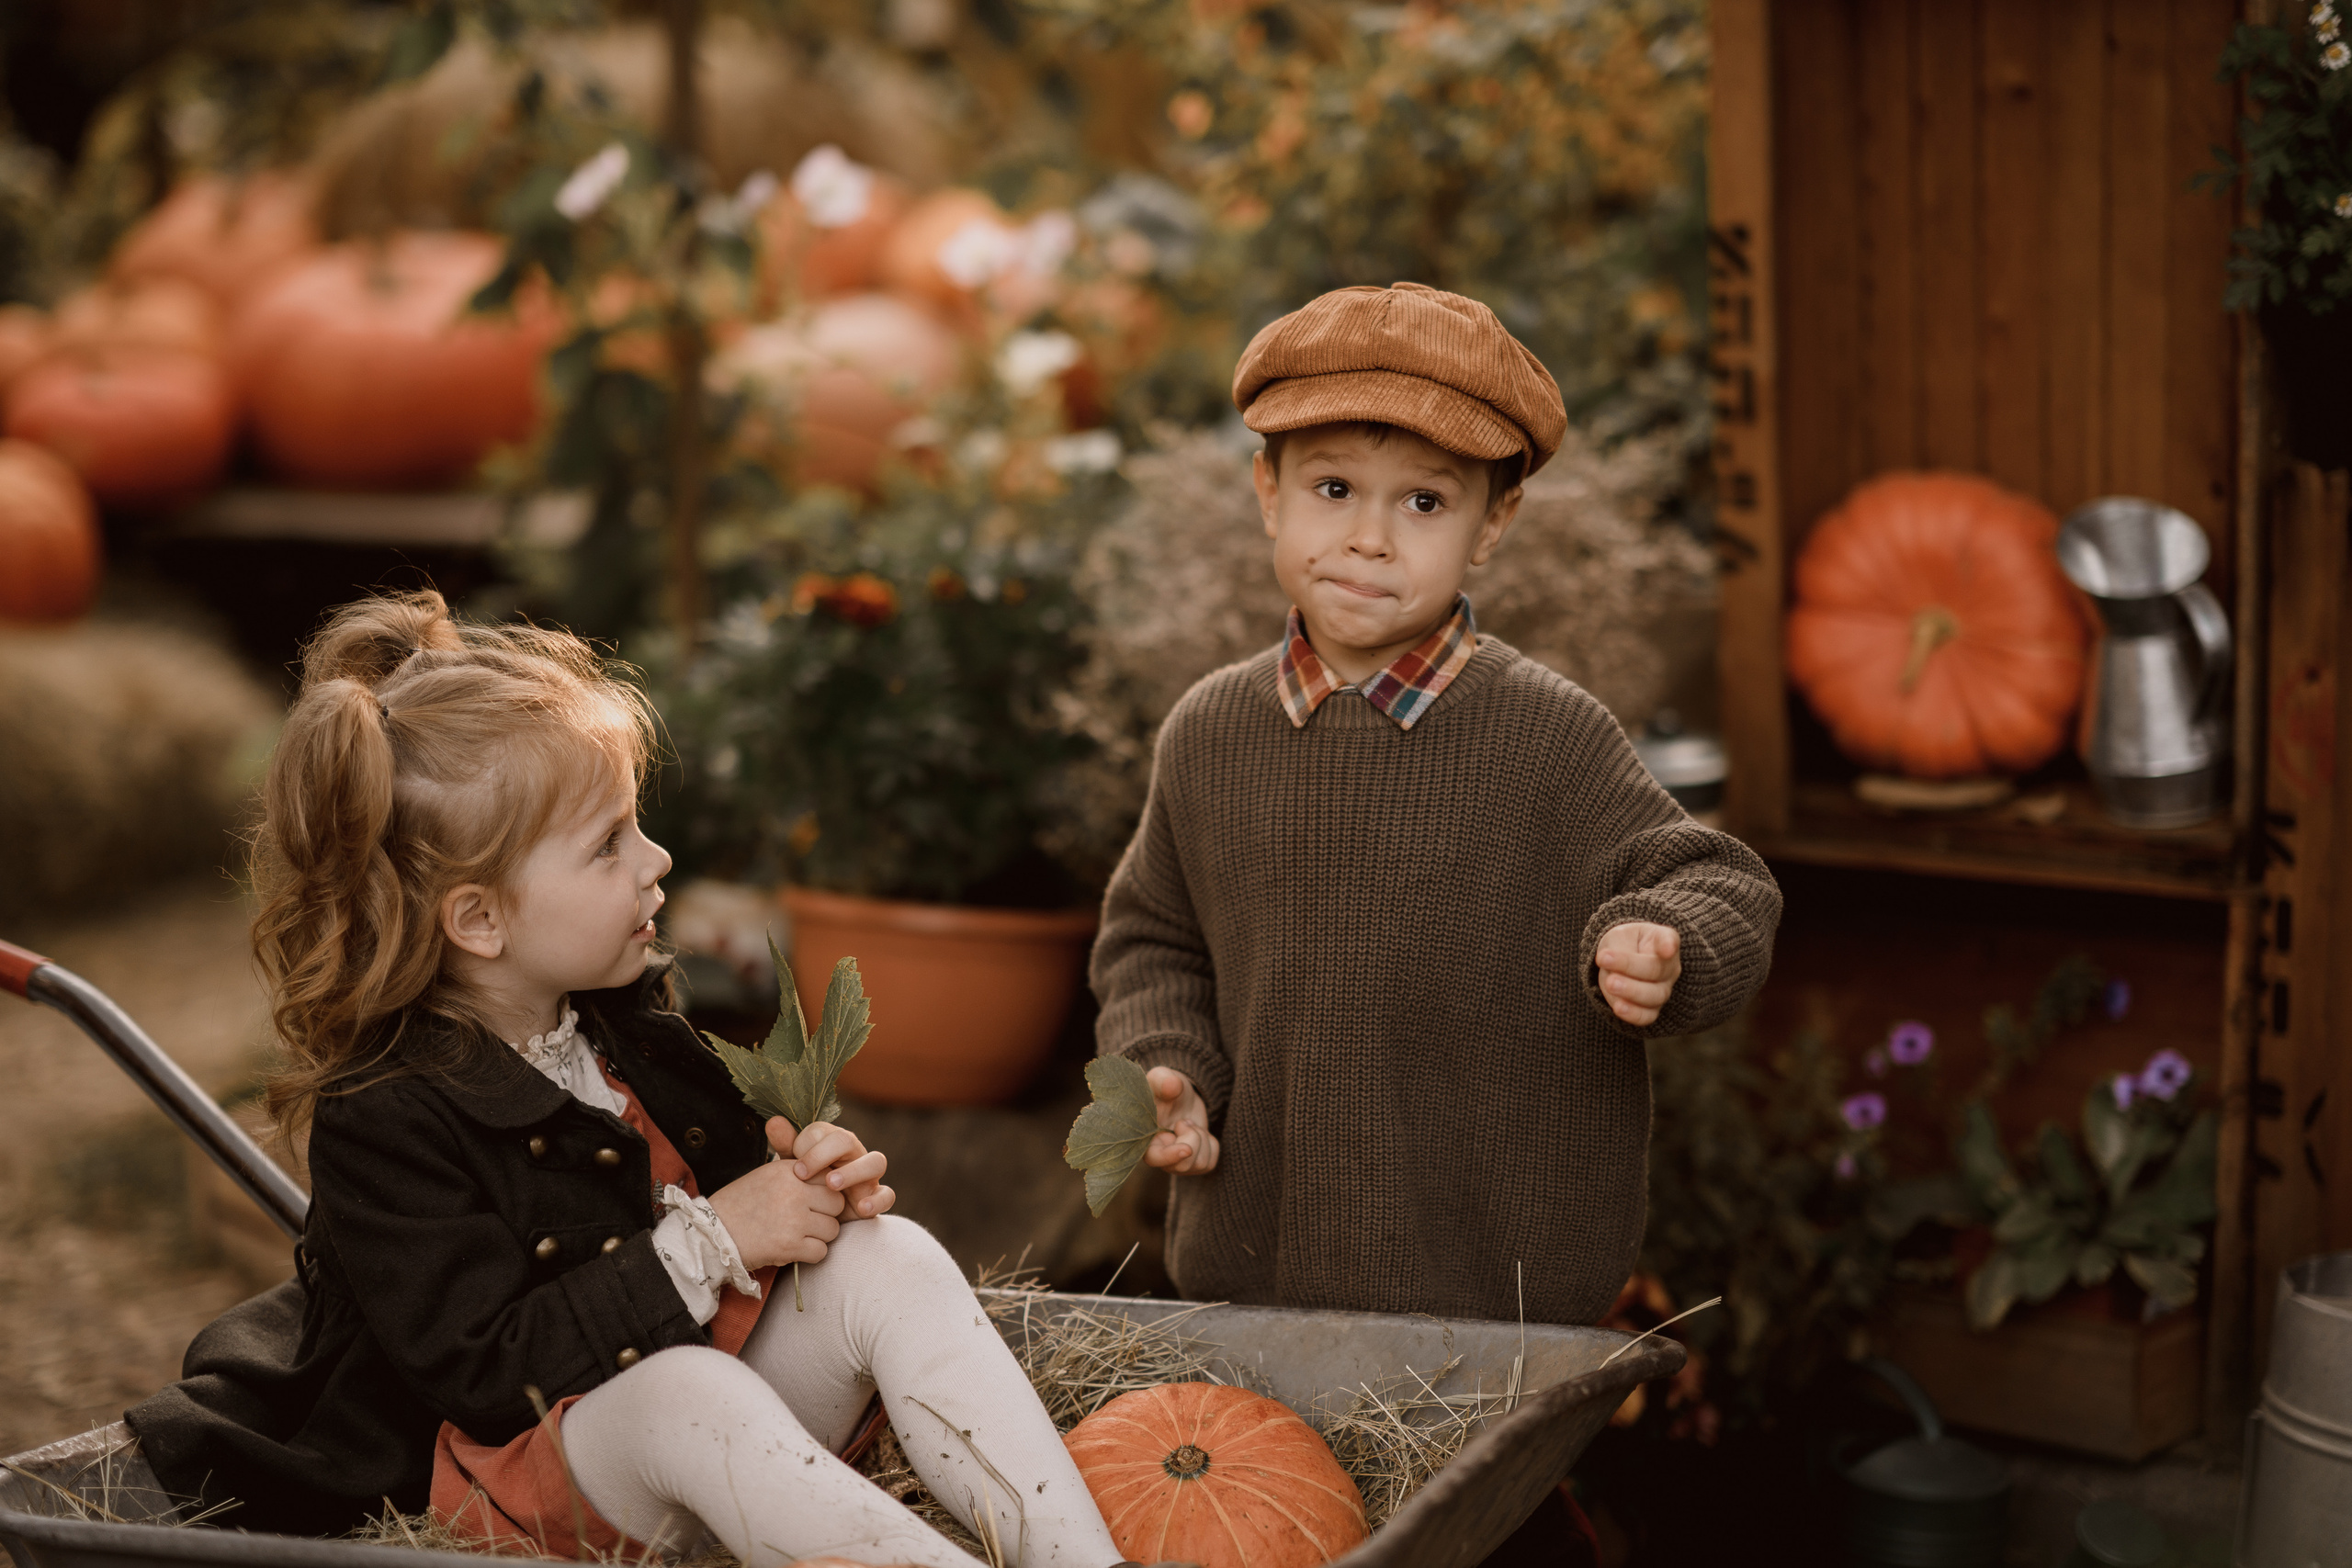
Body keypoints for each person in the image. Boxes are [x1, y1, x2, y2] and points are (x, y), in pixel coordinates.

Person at [127, 591, 1125, 1568]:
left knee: (888, 1259)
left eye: (635, 825)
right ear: (480, 922)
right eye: (607, 845)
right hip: (531, 1470)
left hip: (715, 1431)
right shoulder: (386, 1119)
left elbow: (740, 1202)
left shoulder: (624, 1027)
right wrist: (722, 1235)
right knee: (689, 1393)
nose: (657, 859)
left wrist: (804, 1194)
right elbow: (488, 1373)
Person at [1092, 282, 1783, 1330]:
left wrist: (1662, 940)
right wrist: (1169, 1066)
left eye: (1424, 501)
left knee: (1456, 1498)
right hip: (1255, 1274)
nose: (1370, 538)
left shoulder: (1547, 737)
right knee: (1258, 1491)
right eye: (1333, 488)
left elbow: (1715, 878)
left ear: (1492, 523)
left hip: (1491, 1294)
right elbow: (1155, 940)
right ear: (1267, 491)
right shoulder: (1209, 735)